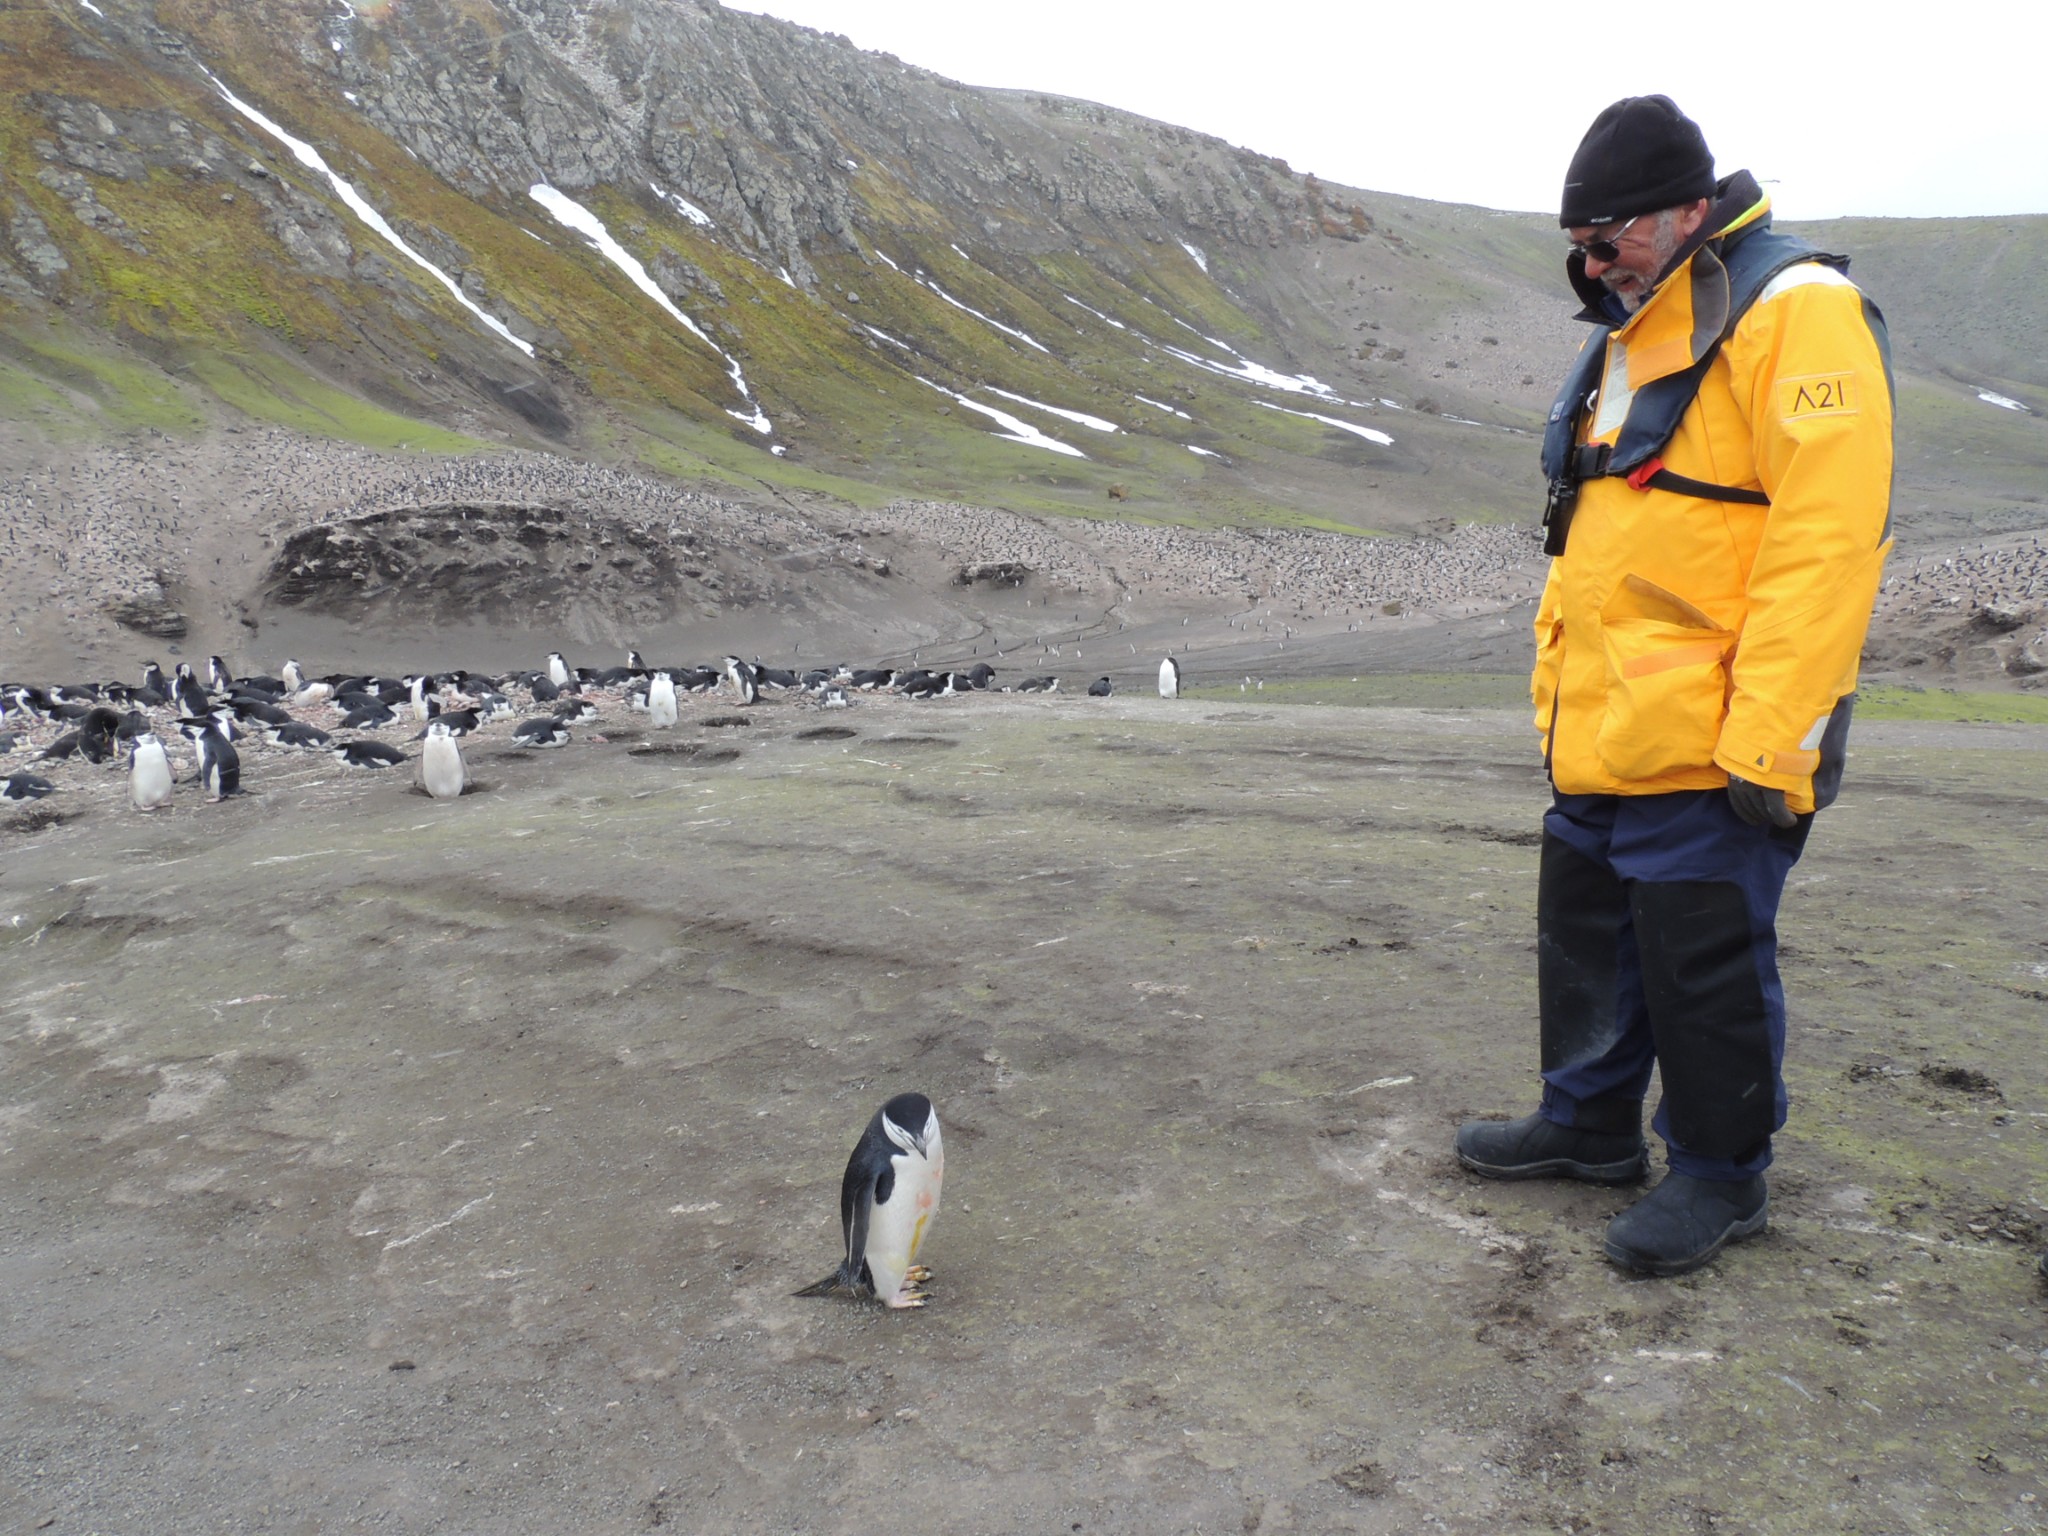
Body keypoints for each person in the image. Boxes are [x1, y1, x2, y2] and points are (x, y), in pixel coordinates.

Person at [1455, 96, 1894, 1277]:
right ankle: (1589, 1127)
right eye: (1580, 247)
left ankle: (1718, 1172)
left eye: (1611, 239)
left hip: (1713, 728)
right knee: (1587, 928)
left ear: (1691, 210)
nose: (1591, 267)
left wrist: (1774, 738)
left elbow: (1826, 544)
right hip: (1605, 717)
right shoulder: (1642, 320)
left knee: (1700, 954)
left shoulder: (1795, 314)